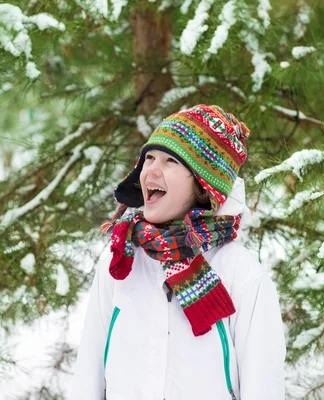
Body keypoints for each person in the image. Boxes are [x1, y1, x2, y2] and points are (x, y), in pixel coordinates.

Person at [69, 104, 286, 400]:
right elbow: (88, 376)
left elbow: (263, 388)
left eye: (171, 160)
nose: (152, 170)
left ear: (202, 185)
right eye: (149, 158)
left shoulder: (241, 274)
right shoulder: (121, 259)